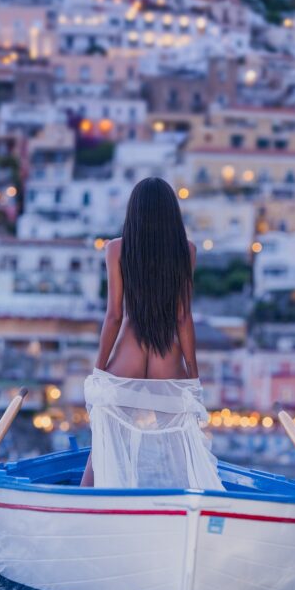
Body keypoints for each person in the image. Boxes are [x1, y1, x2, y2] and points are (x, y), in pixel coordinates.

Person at [79, 177, 222, 491]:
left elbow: (114, 314)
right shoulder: (187, 250)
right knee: (182, 446)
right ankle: (191, 508)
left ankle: (84, 505)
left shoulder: (116, 249)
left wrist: (99, 369)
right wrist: (192, 377)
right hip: (165, 352)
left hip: (129, 348)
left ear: (135, 211)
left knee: (104, 438)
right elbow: (183, 316)